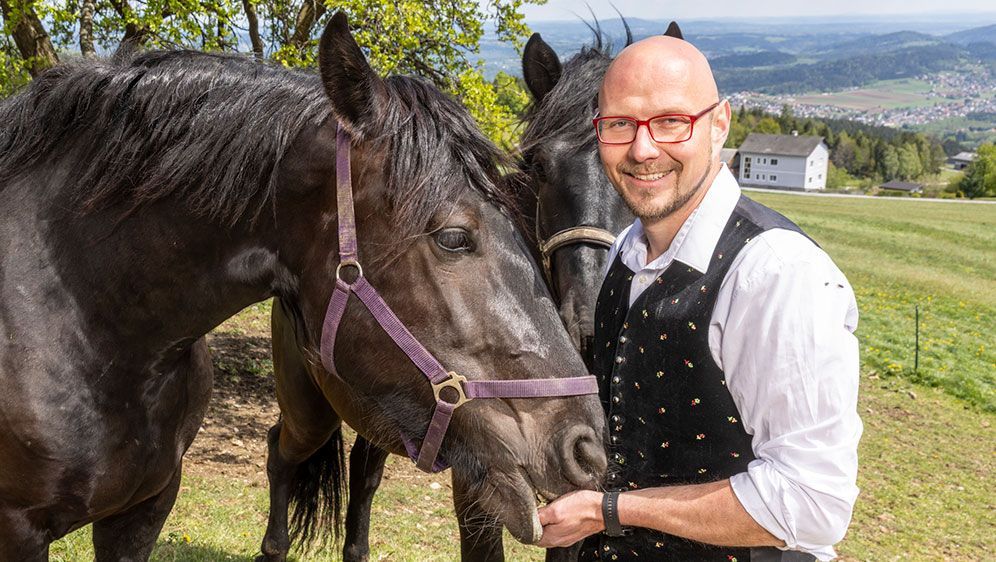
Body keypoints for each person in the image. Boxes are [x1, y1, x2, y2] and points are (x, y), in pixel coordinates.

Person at [535, 35, 862, 561]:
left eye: (671, 122)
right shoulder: (626, 250)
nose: (642, 149)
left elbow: (811, 504)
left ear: (719, 124)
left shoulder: (774, 275)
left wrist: (610, 511)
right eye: (620, 124)